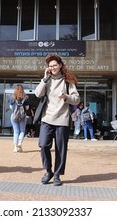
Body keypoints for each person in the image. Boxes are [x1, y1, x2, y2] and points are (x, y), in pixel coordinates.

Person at [35, 53, 80, 186]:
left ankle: (57, 175)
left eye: (55, 65)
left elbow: (76, 99)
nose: (53, 67)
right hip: (47, 118)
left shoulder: (68, 81)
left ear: (60, 65)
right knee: (43, 145)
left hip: (62, 120)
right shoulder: (47, 80)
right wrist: (44, 78)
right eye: (50, 66)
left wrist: (66, 96)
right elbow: (38, 94)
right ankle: (48, 171)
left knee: (61, 149)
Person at [10, 85, 30, 152]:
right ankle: (20, 143)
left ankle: (15, 147)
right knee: (22, 131)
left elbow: (10, 107)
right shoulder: (25, 98)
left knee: (16, 132)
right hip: (22, 116)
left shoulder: (13, 98)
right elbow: (27, 108)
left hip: (14, 116)